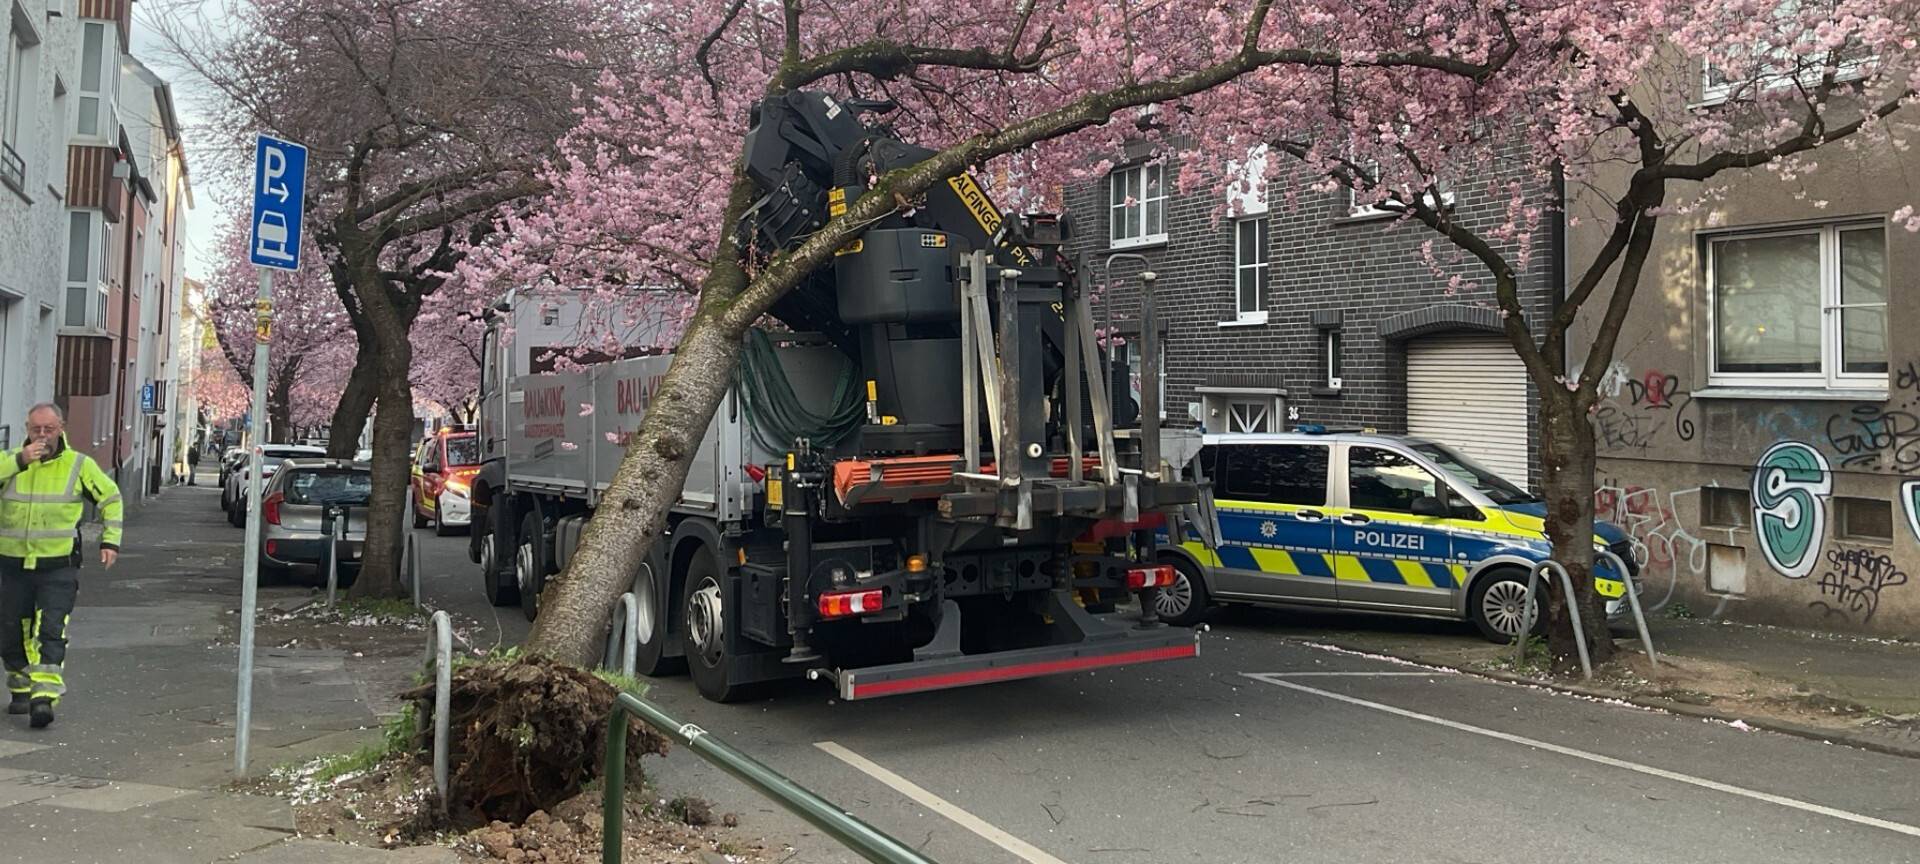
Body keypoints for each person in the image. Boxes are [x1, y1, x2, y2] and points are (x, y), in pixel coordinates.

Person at [0, 404, 121, 728]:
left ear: (61, 428)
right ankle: (22, 687)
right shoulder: (11, 462)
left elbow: (111, 498)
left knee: (51, 630)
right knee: (10, 631)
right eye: (36, 429)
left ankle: (44, 697)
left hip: (58, 565)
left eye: (48, 429)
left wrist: (110, 541)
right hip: (11, 564)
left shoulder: (78, 465)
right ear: (27, 428)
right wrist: (19, 461)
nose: (42, 436)